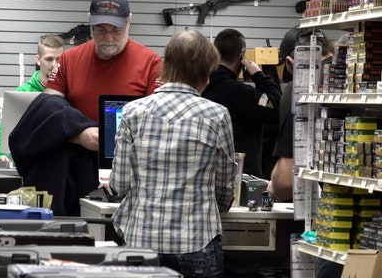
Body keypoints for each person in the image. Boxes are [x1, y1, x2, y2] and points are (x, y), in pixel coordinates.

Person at [10, 0, 162, 216]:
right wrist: (79, 134)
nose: (108, 38)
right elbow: (47, 114)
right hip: (74, 173)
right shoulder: (69, 60)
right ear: (90, 25)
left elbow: (157, 128)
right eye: (100, 30)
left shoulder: (151, 64)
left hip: (127, 172)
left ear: (129, 22)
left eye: (116, 30)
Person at [110, 29, 237, 278]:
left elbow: (119, 185)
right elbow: (225, 188)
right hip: (196, 241)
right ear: (204, 72)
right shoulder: (217, 115)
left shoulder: (132, 112)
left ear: (166, 65)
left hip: (141, 242)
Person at [202, 28, 281, 179]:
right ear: (240, 58)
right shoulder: (239, 92)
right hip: (242, 178)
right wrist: (259, 75)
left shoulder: (202, 86)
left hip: (209, 174)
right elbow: (275, 107)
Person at [267, 27, 334, 203]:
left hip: (322, 212)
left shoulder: (297, 90)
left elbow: (286, 182)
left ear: (290, 62)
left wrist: (274, 186)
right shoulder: (349, 78)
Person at [0, 34, 65, 162]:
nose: (54, 65)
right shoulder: (22, 93)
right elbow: (4, 132)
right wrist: (0, 155)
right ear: (38, 59)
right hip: (32, 163)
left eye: (59, 59)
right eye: (49, 59)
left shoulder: (71, 91)